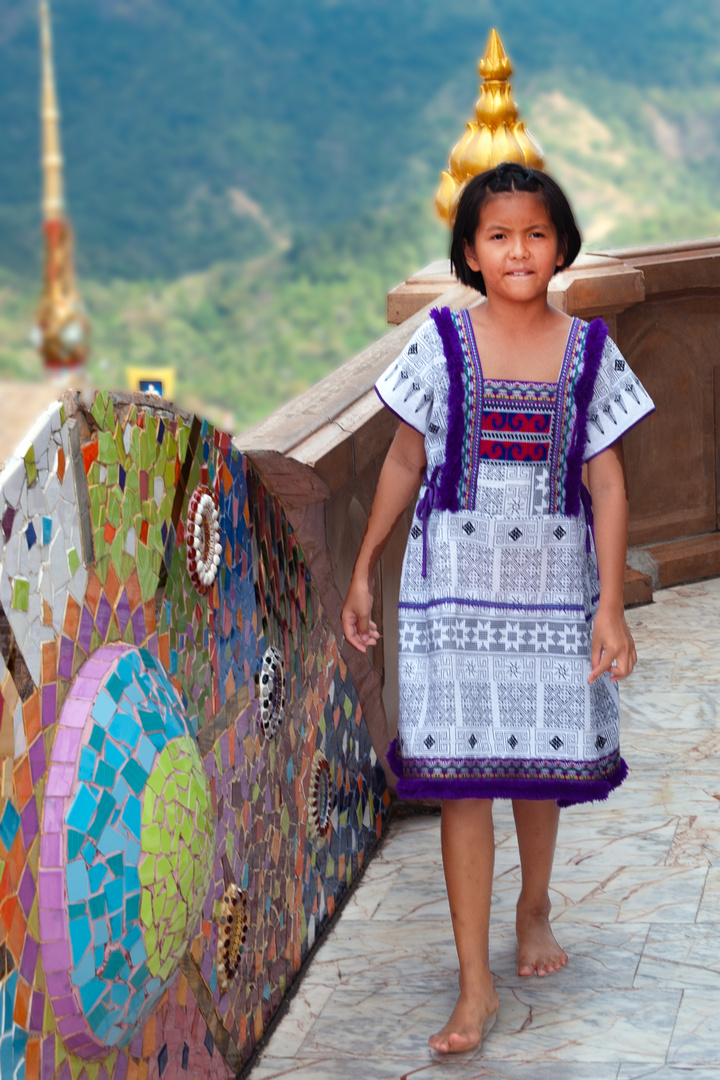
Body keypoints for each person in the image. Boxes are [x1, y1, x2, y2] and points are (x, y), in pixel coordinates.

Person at [341, 162, 655, 1055]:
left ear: (561, 245)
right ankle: (473, 985)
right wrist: (365, 566)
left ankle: (534, 905)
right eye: (497, 236)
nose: (518, 249)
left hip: (555, 594)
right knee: (464, 781)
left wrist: (612, 609)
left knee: (535, 765)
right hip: (450, 595)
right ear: (470, 254)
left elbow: (607, 479)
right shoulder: (438, 342)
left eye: (535, 233)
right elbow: (404, 461)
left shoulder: (593, 350)